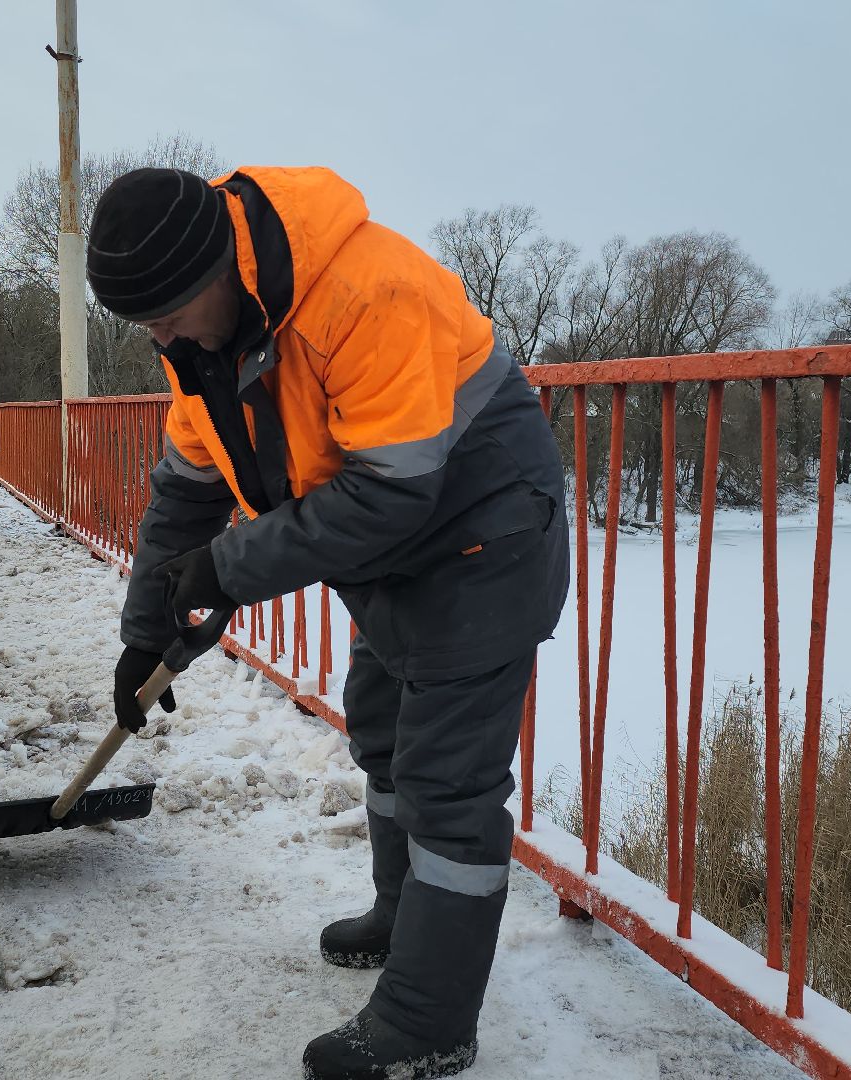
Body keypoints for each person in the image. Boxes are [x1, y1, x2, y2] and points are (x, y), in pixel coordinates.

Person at [88, 166, 568, 1080]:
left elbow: (392, 492)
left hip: (482, 541)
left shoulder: (368, 292)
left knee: (448, 787)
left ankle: (431, 1022)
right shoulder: (202, 340)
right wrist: (145, 628)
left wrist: (229, 570)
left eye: (168, 313)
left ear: (224, 265)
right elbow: (185, 491)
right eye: (143, 323)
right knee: (383, 738)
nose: (157, 337)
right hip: (389, 555)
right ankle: (404, 916)